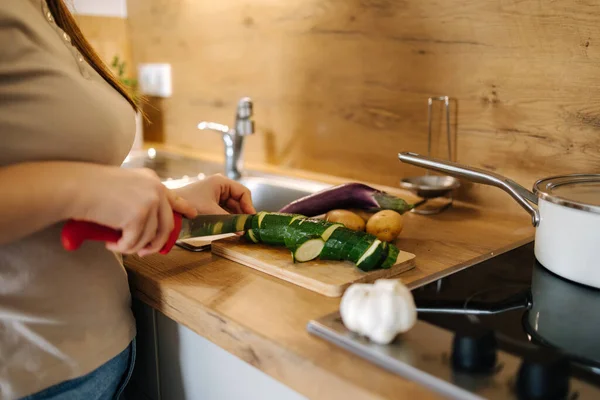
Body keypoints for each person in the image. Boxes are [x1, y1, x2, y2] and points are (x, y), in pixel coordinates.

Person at [0, 1, 256, 399]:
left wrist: (170, 202)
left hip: (98, 356)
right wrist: (81, 188)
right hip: (29, 376)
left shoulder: (43, 12)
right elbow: (68, 185)